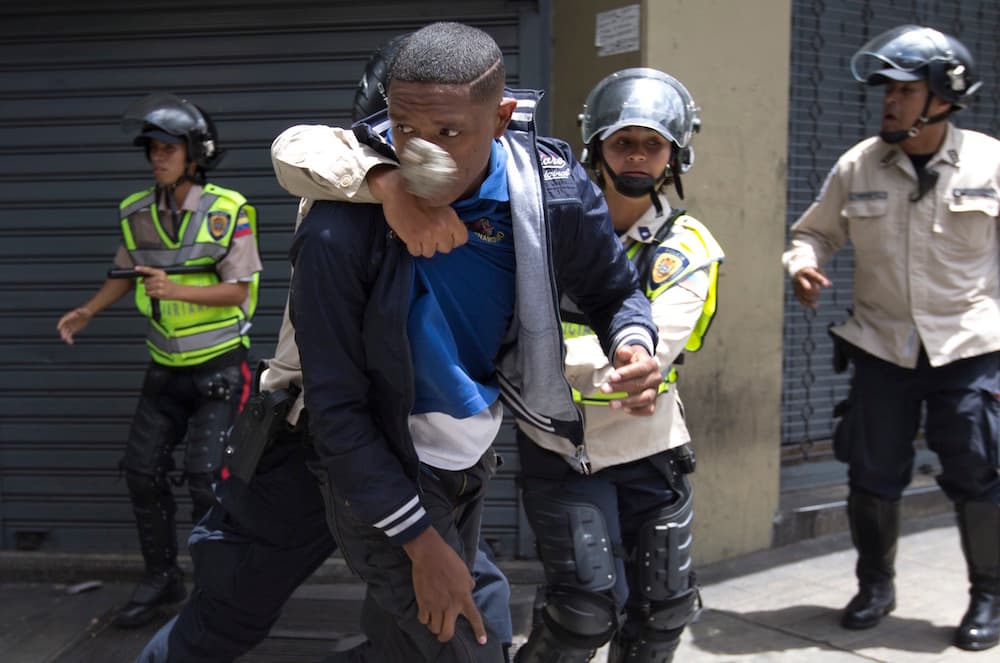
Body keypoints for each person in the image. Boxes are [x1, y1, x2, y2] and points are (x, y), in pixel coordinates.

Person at [138, 21, 661, 663]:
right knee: (226, 618)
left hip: (439, 464)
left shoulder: (545, 188)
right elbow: (298, 148)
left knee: (452, 626)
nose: (422, 156)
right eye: (401, 132)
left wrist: (634, 341)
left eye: (449, 133)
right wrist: (384, 188)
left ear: (498, 119)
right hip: (317, 442)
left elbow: (613, 290)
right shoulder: (342, 217)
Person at [782, 24, 1000, 652]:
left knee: (980, 474)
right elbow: (814, 234)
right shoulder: (859, 165)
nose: (889, 101)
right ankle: (875, 587)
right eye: (886, 90)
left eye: (904, 90)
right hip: (882, 347)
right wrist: (800, 264)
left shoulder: (988, 161)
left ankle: (988, 593)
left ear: (942, 96)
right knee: (873, 475)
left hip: (969, 348)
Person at [510, 68, 723, 663]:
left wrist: (559, 354)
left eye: (653, 144)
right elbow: (517, 335)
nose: (637, 156)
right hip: (562, 447)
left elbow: (660, 344)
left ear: (674, 155)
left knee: (664, 611)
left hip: (651, 445)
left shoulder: (688, 245)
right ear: (596, 146)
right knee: (581, 613)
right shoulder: (547, 228)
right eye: (623, 141)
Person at [56, 93, 262, 629]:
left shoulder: (228, 210)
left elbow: (238, 294)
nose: (157, 157)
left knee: (205, 479)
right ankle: (162, 579)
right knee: (142, 472)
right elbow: (123, 274)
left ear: (195, 153)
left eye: (168, 148)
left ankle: (216, 593)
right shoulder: (136, 212)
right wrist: (87, 310)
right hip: (164, 367)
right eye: (152, 148)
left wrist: (174, 288)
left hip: (221, 367)